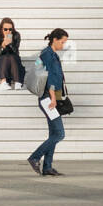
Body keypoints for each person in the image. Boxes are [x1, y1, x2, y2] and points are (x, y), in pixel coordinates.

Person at [27, 29, 69, 177]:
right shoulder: (47, 54)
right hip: (47, 98)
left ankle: (47, 167)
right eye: (63, 42)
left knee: (54, 133)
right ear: (55, 40)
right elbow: (49, 77)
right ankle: (35, 157)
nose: (64, 45)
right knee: (59, 134)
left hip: (51, 97)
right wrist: (52, 98)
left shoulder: (51, 54)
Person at [0, 17, 25, 90]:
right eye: (5, 29)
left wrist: (11, 44)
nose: (8, 31)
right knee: (5, 57)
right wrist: (3, 45)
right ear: (1, 29)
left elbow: (15, 51)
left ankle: (16, 82)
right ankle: (4, 81)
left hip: (13, 60)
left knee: (11, 56)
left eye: (10, 29)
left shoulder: (16, 35)